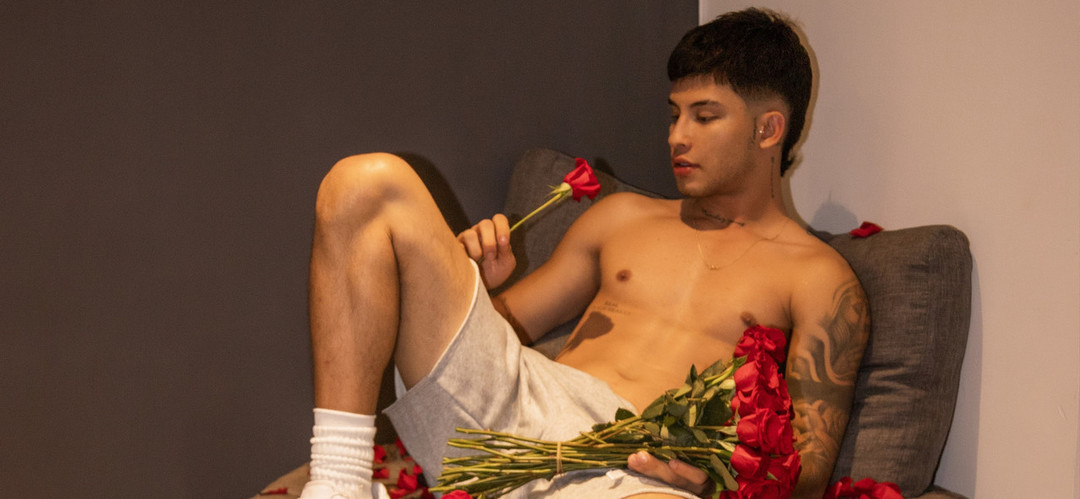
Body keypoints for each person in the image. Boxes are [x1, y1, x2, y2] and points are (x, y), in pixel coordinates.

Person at [298, 7, 868, 499]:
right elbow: (498, 339)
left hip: (636, 473)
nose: (677, 136)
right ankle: (338, 483)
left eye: (704, 116)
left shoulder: (818, 277)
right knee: (367, 183)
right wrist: (480, 285)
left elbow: (808, 469)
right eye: (674, 114)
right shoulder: (621, 218)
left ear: (769, 130)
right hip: (516, 412)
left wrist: (708, 478)